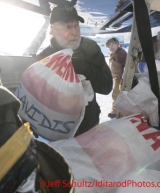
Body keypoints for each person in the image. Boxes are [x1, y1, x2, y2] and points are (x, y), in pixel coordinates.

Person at [36, 5, 113, 137]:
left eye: (76, 25)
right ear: (53, 30)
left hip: (90, 125)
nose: (74, 32)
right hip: (59, 131)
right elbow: (36, 98)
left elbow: (106, 87)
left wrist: (85, 69)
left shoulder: (90, 48)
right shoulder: (44, 58)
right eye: (67, 26)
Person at [105, 38, 127, 118]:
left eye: (112, 45)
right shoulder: (113, 54)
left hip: (120, 78)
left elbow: (126, 66)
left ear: (117, 44)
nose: (111, 48)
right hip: (115, 77)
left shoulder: (121, 53)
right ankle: (116, 111)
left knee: (116, 95)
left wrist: (123, 78)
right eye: (109, 46)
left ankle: (116, 112)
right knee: (116, 95)